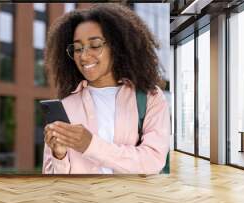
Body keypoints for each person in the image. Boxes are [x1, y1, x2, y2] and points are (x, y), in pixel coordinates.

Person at [42, 3, 170, 174]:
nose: (84, 56)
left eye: (95, 45)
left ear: (117, 46)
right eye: (78, 48)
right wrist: (59, 155)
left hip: (131, 200)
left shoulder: (150, 98)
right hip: (81, 201)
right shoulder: (65, 106)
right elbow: (52, 178)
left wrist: (90, 145)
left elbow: (154, 161)